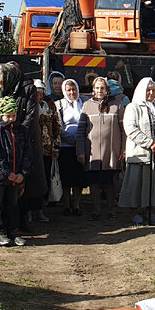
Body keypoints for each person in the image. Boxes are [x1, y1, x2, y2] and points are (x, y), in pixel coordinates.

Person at [0, 62, 47, 228]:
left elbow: (31, 115)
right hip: (5, 138)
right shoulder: (0, 89)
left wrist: (18, 134)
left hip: (25, 139)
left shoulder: (28, 88)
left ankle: (23, 219)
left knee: (26, 180)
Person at [120, 77, 155, 224]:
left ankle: (150, 211)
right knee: (136, 184)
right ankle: (136, 212)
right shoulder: (133, 107)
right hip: (139, 154)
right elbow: (131, 129)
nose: (150, 93)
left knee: (152, 185)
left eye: (153, 90)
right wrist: (149, 143)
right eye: (148, 90)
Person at [77, 76, 126, 220]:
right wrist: (80, 151)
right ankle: (96, 210)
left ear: (107, 89)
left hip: (112, 152)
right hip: (92, 152)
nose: (99, 90)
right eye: (97, 88)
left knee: (110, 182)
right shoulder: (87, 106)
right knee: (94, 182)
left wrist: (123, 149)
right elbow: (81, 131)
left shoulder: (117, 104)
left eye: (102, 88)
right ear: (93, 89)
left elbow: (123, 130)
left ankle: (111, 210)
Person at [0, 95, 32, 246]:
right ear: (1, 114)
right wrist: (7, 173)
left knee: (13, 205)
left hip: (16, 177)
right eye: (8, 116)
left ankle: (14, 231)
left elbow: (27, 153)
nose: (11, 119)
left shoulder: (22, 131)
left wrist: (22, 173)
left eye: (14, 115)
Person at [55, 78, 89, 216]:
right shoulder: (59, 105)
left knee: (79, 177)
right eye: (68, 90)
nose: (72, 92)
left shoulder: (84, 103)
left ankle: (76, 204)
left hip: (81, 147)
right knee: (66, 178)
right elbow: (58, 126)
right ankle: (66, 205)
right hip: (66, 146)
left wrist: (81, 141)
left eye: (74, 89)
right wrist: (73, 139)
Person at [33, 80, 58, 223]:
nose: (39, 96)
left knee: (45, 181)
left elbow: (56, 125)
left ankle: (41, 209)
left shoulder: (49, 106)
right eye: (37, 94)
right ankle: (30, 211)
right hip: (33, 150)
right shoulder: (28, 106)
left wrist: (56, 146)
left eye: (41, 93)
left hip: (47, 150)